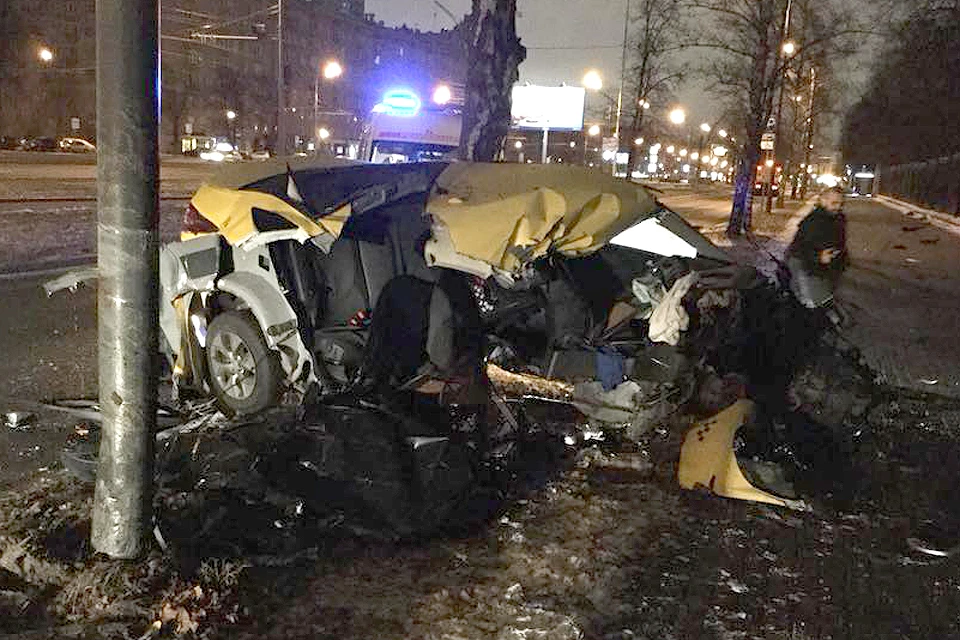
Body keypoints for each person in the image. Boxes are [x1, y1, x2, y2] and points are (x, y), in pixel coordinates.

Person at [785, 186, 848, 309]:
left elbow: (840, 243)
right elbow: (798, 249)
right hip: (807, 268)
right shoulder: (812, 221)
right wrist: (818, 256)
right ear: (823, 200)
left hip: (827, 270)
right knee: (812, 306)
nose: (838, 207)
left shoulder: (839, 219)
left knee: (824, 304)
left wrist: (842, 259)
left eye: (841, 203)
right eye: (834, 203)